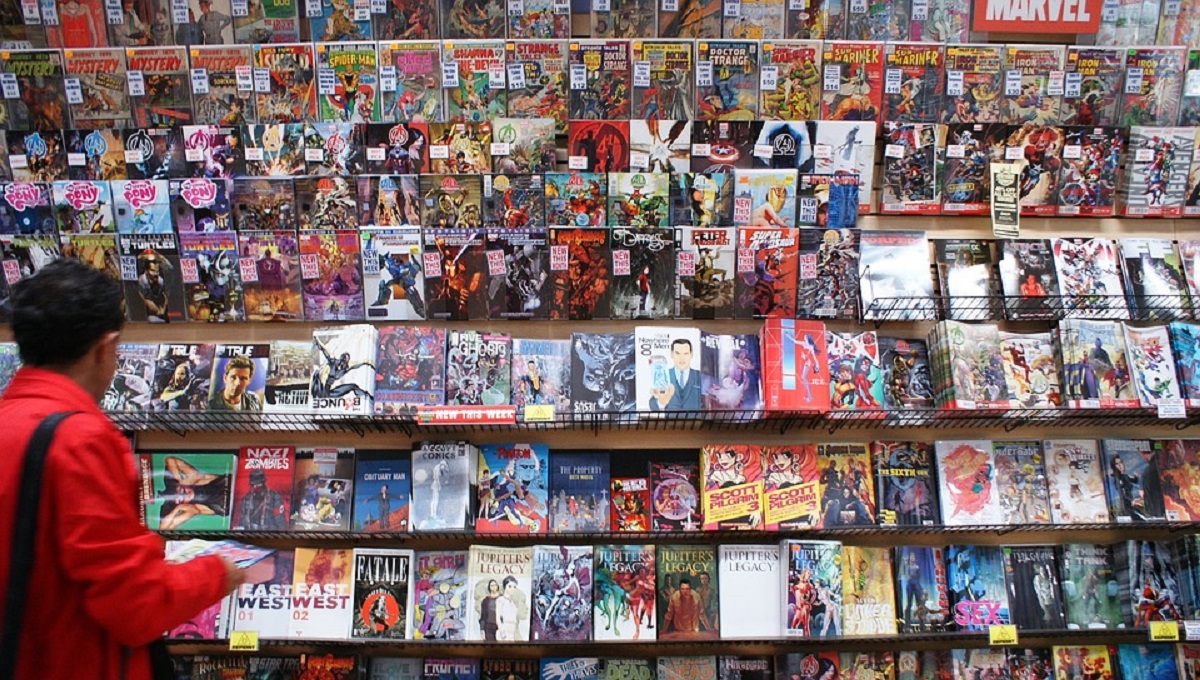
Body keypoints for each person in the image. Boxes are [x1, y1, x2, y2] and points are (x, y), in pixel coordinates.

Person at [0, 259, 242, 680]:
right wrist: (216, 573)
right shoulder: (81, 441)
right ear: (104, 346)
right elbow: (135, 605)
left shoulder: (10, 421)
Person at [649, 338, 701, 411]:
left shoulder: (700, 376)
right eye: (677, 353)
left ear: (691, 355)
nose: (681, 358)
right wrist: (661, 402)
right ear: (672, 354)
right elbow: (653, 404)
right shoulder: (663, 375)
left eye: (685, 353)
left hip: (697, 418)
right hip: (671, 418)